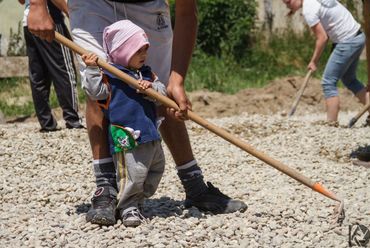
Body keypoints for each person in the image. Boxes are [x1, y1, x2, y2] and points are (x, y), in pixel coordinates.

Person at [27, 0, 247, 226]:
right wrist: (37, 4)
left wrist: (177, 80)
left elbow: (186, 13)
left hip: (148, 7)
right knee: (99, 86)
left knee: (158, 90)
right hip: (93, 3)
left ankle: (195, 186)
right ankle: (106, 189)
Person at [81, 20, 167, 227]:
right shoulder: (110, 75)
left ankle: (136, 200)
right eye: (138, 50)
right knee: (132, 174)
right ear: (123, 51)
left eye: (145, 50)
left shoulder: (146, 73)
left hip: (150, 135)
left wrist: (153, 89)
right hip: (128, 137)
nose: (144, 55)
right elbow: (94, 93)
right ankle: (128, 206)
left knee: (156, 170)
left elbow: (162, 94)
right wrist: (92, 70)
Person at [283, 0, 369, 123]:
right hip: (357, 36)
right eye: (285, 4)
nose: (287, 5)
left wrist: (313, 61)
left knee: (328, 82)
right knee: (350, 80)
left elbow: (322, 38)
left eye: (288, 2)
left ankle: (331, 125)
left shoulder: (309, 9)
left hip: (347, 41)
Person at [20, 0, 83, 131]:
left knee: (38, 74)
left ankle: (46, 123)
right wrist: (70, 12)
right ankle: (73, 119)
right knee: (64, 69)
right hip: (49, 19)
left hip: (29, 22)